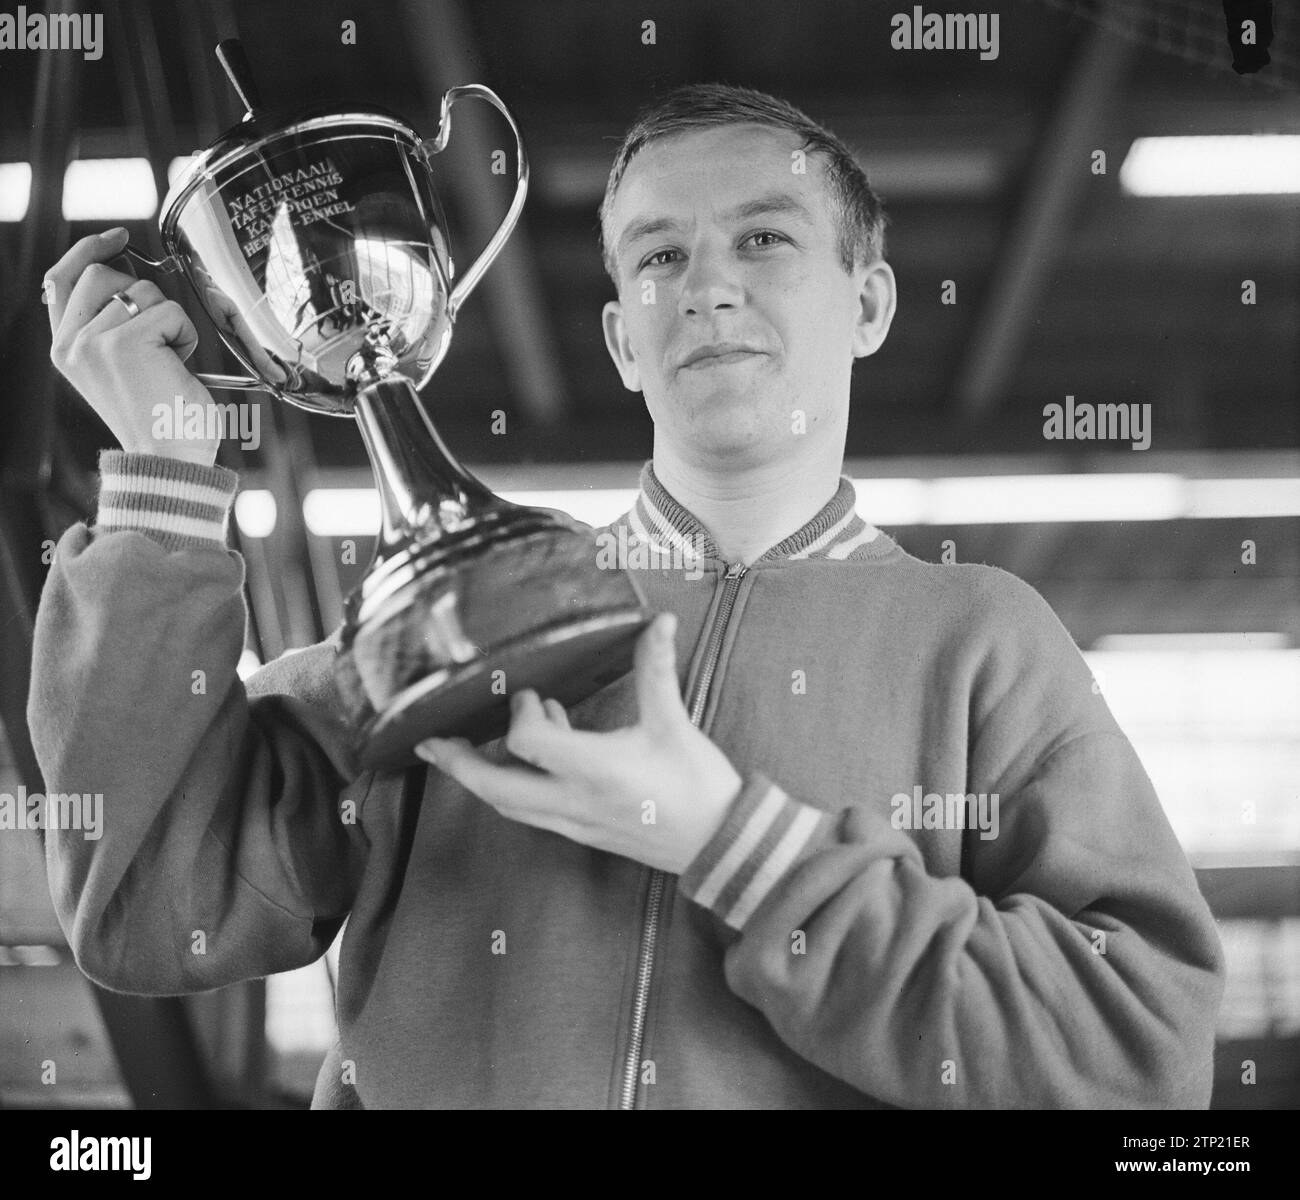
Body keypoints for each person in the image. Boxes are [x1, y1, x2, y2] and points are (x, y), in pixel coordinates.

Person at [32, 83, 1224, 1109]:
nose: (706, 287)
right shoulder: (450, 622)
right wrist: (163, 480)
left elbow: (1136, 1056)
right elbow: (142, 900)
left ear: (868, 304)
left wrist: (734, 846)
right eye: (659, 255)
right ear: (618, 338)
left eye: (763, 239)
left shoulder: (985, 638)